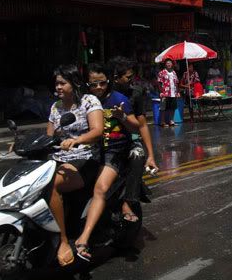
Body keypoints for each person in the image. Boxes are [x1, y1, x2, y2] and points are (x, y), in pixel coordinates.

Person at [74, 63, 140, 262]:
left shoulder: (119, 100)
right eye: (94, 84)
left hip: (114, 152)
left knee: (100, 189)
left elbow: (136, 126)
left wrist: (122, 117)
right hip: (88, 153)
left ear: (108, 81)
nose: (99, 87)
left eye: (102, 83)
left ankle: (83, 239)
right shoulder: (83, 102)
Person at [47, 65, 104, 266]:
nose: (59, 87)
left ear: (74, 83)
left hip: (85, 157)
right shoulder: (56, 107)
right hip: (59, 158)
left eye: (63, 83)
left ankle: (63, 241)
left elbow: (97, 131)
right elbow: (49, 136)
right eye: (57, 83)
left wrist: (77, 140)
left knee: (52, 184)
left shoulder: (89, 101)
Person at [109, 57, 158, 223]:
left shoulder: (136, 92)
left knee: (137, 156)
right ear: (115, 77)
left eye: (132, 77)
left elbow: (142, 125)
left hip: (128, 139)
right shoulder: (101, 94)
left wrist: (150, 155)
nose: (131, 81)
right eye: (128, 77)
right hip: (104, 141)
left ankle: (128, 201)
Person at [157, 59, 179, 127]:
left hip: (173, 92)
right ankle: (162, 122)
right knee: (163, 107)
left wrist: (177, 92)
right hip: (165, 92)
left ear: (172, 64)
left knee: (172, 107)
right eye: (167, 63)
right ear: (165, 64)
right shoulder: (162, 72)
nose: (169, 64)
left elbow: (177, 83)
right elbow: (159, 83)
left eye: (170, 63)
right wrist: (160, 92)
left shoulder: (174, 72)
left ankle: (171, 121)